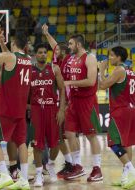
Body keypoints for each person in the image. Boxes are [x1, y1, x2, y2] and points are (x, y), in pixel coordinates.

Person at [0, 26, 32, 190]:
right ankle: (23, 179)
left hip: (8, 108)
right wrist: (2, 43)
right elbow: (9, 60)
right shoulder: (28, 59)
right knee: (21, 142)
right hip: (21, 109)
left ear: (14, 43)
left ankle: (4, 174)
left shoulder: (10, 57)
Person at [63, 34, 103, 182]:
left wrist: (69, 83)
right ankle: (77, 165)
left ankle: (97, 168)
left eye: (71, 44)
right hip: (74, 100)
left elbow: (91, 81)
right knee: (69, 132)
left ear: (78, 44)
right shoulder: (72, 59)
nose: (69, 46)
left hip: (87, 101)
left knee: (90, 135)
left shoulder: (90, 58)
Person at [29, 43, 65, 187]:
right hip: (36, 110)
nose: (43, 54)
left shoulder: (54, 69)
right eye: (40, 52)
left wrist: (61, 109)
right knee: (37, 145)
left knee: (55, 143)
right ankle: (39, 174)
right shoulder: (30, 70)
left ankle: (50, 164)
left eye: (45, 52)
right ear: (35, 55)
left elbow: (62, 90)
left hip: (52, 109)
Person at [99, 46, 135, 189]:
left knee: (113, 143)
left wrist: (101, 70)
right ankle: (126, 177)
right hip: (131, 109)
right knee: (127, 144)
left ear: (119, 57)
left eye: (112, 55)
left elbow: (102, 85)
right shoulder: (130, 71)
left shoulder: (119, 70)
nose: (110, 58)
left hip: (121, 111)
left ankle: (131, 170)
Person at [42, 24, 74, 178]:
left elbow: (58, 47)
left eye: (60, 50)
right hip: (59, 102)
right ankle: (65, 163)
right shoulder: (57, 60)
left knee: (61, 137)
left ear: (65, 52)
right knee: (59, 137)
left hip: (65, 102)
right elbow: (54, 45)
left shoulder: (67, 60)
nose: (56, 51)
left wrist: (64, 107)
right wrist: (47, 34)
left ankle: (70, 163)